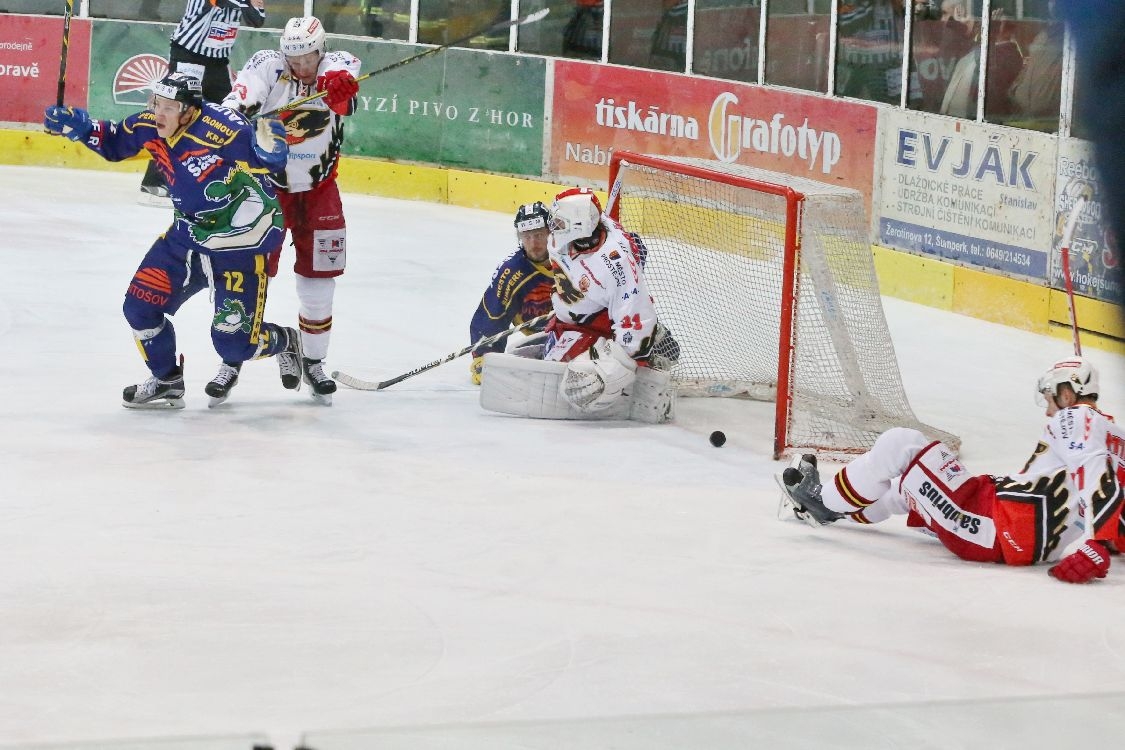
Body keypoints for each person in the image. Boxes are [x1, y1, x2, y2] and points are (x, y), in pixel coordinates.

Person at [44, 73, 303, 409]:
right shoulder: (151, 124)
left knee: (234, 346)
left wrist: (273, 142)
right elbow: (112, 142)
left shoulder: (226, 130)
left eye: (169, 107)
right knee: (139, 309)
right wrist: (79, 127)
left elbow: (270, 163)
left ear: (190, 111)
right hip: (186, 238)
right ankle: (167, 380)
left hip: (237, 246)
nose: (158, 113)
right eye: (156, 104)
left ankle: (286, 341)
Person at [778, 356, 1125, 584]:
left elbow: (1091, 468)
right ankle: (840, 513)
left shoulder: (1076, 417)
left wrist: (1095, 542)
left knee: (900, 444)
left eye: (1051, 397)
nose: (1049, 410)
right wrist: (1108, 541)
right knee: (905, 487)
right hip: (1007, 529)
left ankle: (822, 501)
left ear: (1067, 393)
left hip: (995, 525)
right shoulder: (1117, 440)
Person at [221, 16, 361, 404]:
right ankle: (231, 358)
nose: (301, 66)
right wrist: (234, 115)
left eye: (309, 58)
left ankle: (314, 362)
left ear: (322, 49)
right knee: (246, 272)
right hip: (268, 190)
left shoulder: (340, 64)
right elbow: (239, 101)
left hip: (320, 192)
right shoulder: (268, 63)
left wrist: (336, 89)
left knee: (319, 285)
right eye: (294, 58)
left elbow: (344, 100)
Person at [478, 188, 676, 423]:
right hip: (572, 317)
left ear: (580, 226)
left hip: (600, 324)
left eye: (559, 221)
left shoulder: (616, 267)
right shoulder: (565, 236)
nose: (551, 226)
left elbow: (636, 319)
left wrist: (617, 366)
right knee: (547, 359)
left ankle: (655, 344)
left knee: (581, 383)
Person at [140, 0, 267, 204]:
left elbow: (257, 19)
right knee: (178, 117)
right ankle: (155, 180)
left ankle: (228, 178)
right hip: (188, 56)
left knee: (229, 117)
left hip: (218, 62)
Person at [468, 201, 555, 385]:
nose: (534, 243)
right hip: (536, 325)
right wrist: (484, 356)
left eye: (539, 235)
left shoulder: (570, 256)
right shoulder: (512, 272)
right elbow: (492, 314)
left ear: (550, 233)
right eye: (527, 236)